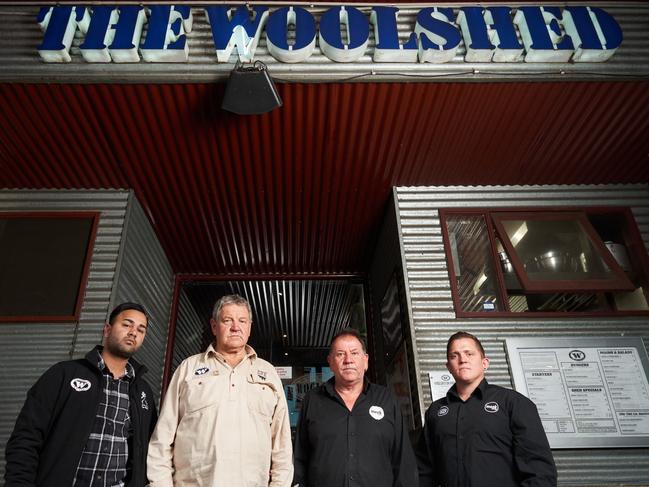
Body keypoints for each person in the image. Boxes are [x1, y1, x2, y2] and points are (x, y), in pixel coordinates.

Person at [5, 302, 157, 487]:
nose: (133, 332)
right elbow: (26, 437)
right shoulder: (64, 374)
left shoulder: (143, 392)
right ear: (107, 329)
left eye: (141, 330)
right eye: (127, 324)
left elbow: (149, 451)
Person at [147, 294, 293, 487]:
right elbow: (163, 438)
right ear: (214, 326)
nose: (235, 327)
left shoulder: (268, 373)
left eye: (242, 321)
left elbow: (281, 444)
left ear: (249, 327)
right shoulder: (188, 368)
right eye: (227, 320)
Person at [417, 331, 557, 487]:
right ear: (448, 367)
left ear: (485, 363)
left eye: (469, 354)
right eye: (454, 356)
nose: (463, 360)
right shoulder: (435, 412)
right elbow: (424, 470)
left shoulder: (514, 403)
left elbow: (540, 471)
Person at [293, 328, 418, 487]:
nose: (348, 360)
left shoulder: (386, 400)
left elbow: (403, 460)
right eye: (340, 354)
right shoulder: (313, 400)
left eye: (354, 353)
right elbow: (299, 459)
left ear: (365, 360)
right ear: (330, 362)